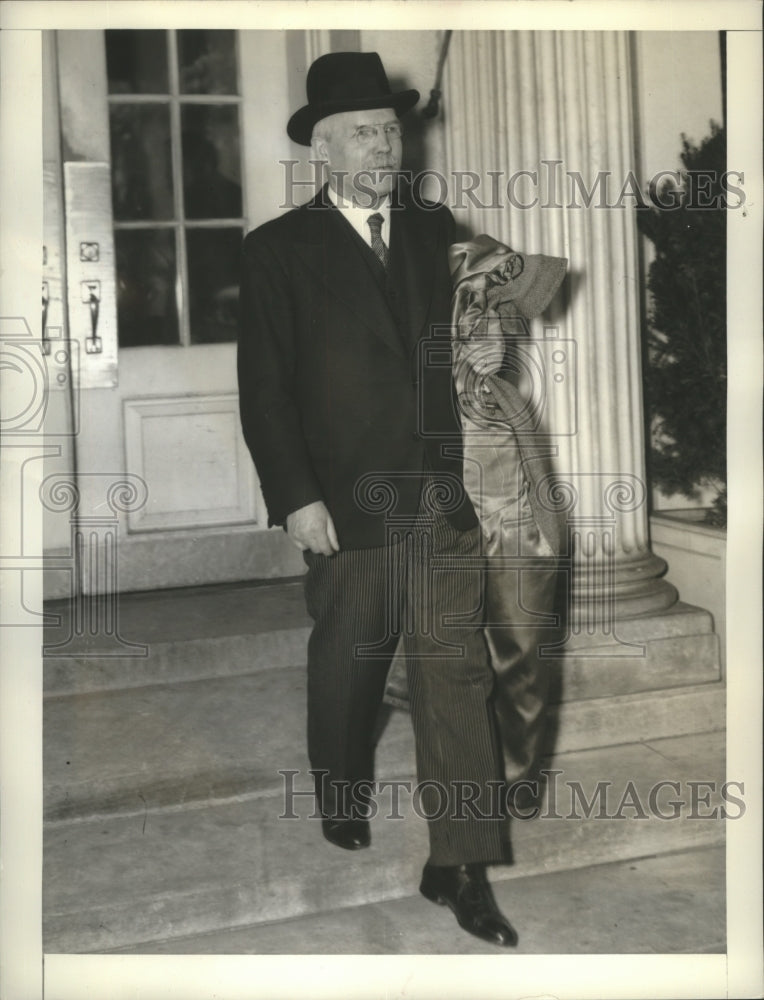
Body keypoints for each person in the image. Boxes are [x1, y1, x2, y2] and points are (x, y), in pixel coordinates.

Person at [237, 51, 517, 947]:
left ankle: (461, 864)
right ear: (323, 150)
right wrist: (296, 499)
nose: (386, 144)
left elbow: (471, 335)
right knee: (350, 659)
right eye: (364, 131)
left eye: (392, 129)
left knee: (456, 677)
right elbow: (266, 390)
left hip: (439, 493)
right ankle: (341, 782)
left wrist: (485, 355)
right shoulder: (278, 250)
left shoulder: (442, 233)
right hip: (344, 499)